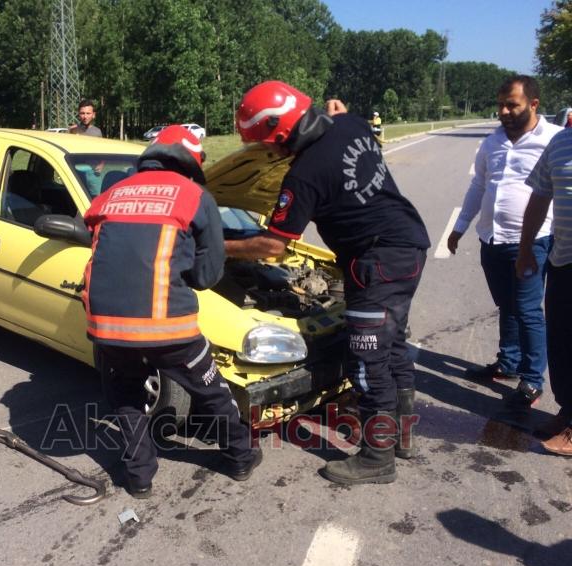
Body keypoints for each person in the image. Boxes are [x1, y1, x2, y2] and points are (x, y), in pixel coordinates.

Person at [227, 80, 430, 485]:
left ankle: (377, 457)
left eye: (268, 146)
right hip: (408, 247)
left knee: (368, 359)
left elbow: (272, 246)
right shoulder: (351, 124)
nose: (271, 154)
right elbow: (337, 114)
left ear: (280, 134)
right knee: (391, 348)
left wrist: (219, 245)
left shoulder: (305, 174)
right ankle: (402, 437)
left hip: (376, 261)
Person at [83, 125, 261, 498]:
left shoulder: (111, 193)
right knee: (212, 391)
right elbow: (207, 275)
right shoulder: (195, 196)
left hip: (107, 327)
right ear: (193, 161)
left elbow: (107, 247)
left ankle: (139, 477)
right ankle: (241, 457)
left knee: (126, 398)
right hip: (169, 327)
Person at [447, 75, 562, 417]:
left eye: (512, 104)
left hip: (533, 240)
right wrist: (460, 227)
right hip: (492, 239)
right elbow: (478, 185)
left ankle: (531, 380)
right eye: (500, 104)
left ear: (534, 104)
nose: (504, 111)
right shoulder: (492, 141)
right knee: (506, 305)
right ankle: (508, 362)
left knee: (527, 311)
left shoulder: (554, 140)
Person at [516, 125, 572, 455]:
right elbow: (540, 197)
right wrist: (525, 247)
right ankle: (568, 411)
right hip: (563, 259)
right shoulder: (561, 142)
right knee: (562, 343)